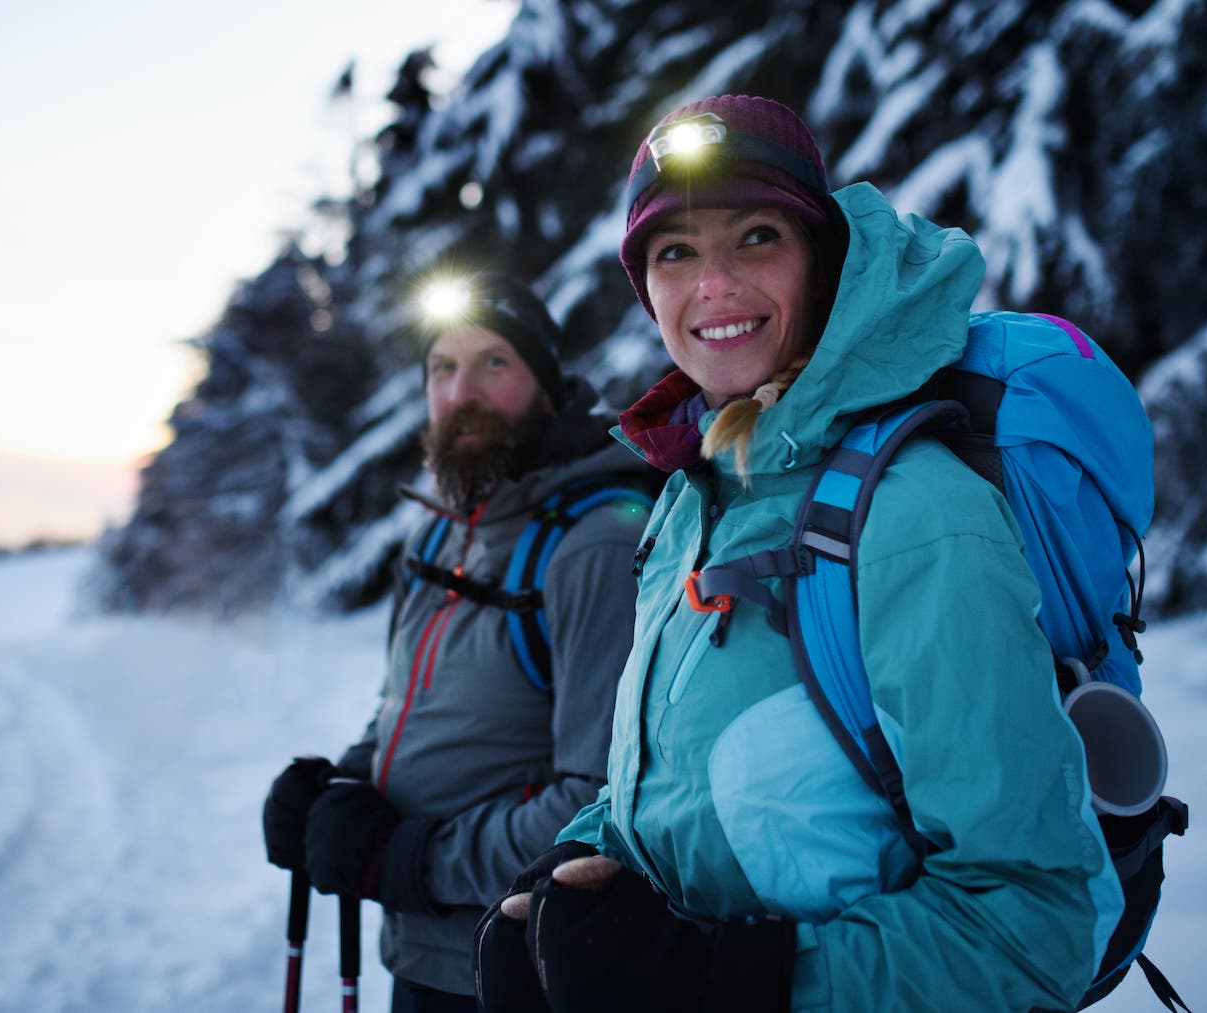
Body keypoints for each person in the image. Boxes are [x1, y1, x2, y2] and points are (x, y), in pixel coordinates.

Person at [473, 96, 1123, 1012]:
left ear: (821, 259)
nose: (714, 285)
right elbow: (672, 780)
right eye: (674, 252)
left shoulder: (915, 515)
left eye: (756, 236)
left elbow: (1036, 925)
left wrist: (724, 982)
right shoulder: (692, 501)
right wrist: (567, 873)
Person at [262, 273, 655, 1013]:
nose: (460, 391)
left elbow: (601, 804)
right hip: (421, 953)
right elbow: (401, 709)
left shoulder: (592, 545)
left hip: (522, 965)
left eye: (493, 362)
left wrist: (406, 859)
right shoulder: (438, 534)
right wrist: (339, 792)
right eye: (442, 367)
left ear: (547, 388)